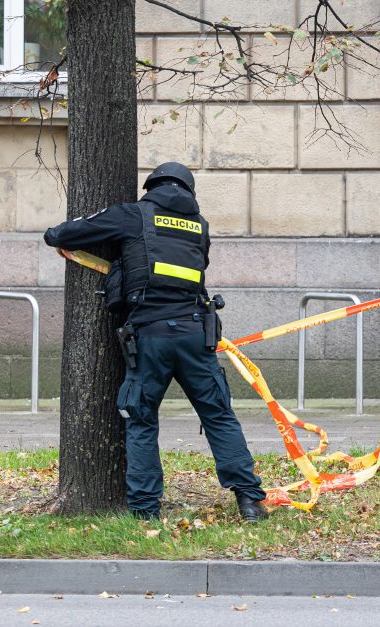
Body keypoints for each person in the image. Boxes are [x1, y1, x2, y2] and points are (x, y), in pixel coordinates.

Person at [44, 162, 269, 522]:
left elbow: (58, 236)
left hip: (149, 336)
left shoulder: (132, 215)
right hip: (196, 333)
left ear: (152, 186)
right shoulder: (200, 226)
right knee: (219, 415)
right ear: (188, 190)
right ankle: (250, 501)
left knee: (141, 419)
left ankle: (145, 510)